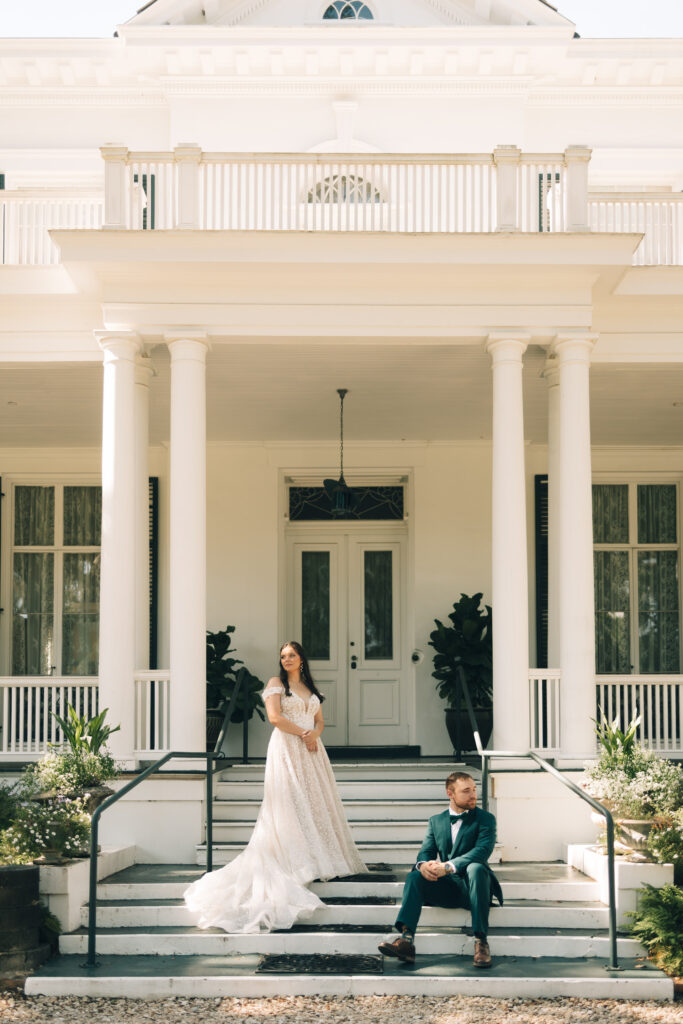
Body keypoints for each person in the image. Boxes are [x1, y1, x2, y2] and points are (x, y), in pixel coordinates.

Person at [184, 641, 366, 932]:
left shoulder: (311, 689)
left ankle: (317, 857)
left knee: (313, 802)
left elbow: (320, 721)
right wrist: (304, 733)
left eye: (292, 655)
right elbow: (275, 718)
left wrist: (313, 735)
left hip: (311, 751)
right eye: (283, 656)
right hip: (287, 747)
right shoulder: (276, 684)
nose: (287, 659)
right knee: (290, 801)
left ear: (301, 659)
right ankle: (293, 860)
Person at [378, 771, 503, 968]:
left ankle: (481, 942)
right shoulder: (435, 821)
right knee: (414, 876)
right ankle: (406, 941)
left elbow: (482, 851)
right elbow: (426, 852)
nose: (473, 795)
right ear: (450, 794)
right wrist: (425, 865)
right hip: (449, 889)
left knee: (476, 868)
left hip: (476, 888)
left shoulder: (485, 819)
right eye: (466, 791)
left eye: (474, 790)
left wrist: (449, 866)